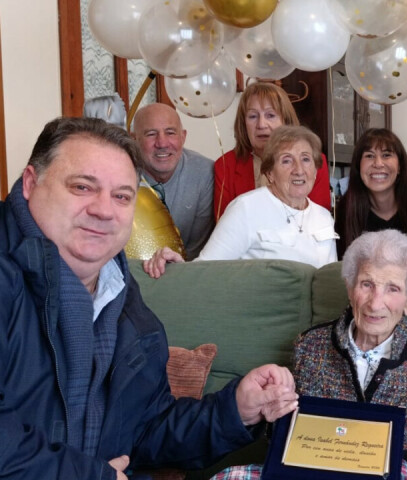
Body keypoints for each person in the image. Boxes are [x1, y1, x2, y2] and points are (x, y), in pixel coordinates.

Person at [0, 117, 299, 479]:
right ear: (31, 183)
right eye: (82, 187)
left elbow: (147, 429)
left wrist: (236, 410)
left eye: (122, 196)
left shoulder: (122, 298)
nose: (104, 210)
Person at [212, 229, 407, 480]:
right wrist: (273, 418)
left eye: (392, 288)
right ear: (349, 287)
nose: (375, 302)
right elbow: (290, 440)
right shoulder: (310, 346)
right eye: (366, 284)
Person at [144, 125, 337, 278]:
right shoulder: (246, 208)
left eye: (306, 159)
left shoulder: (323, 217)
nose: (299, 169)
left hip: (315, 321)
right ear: (269, 173)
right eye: (286, 160)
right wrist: (176, 267)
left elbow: (329, 281)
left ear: (315, 169)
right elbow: (206, 269)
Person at [214, 81, 331, 220]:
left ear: (285, 121)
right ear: (243, 124)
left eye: (270, 115)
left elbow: (318, 221)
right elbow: (225, 224)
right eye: (253, 116)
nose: (261, 125)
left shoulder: (314, 161)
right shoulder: (225, 165)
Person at [335, 128, 407, 259]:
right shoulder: (348, 207)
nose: (378, 164)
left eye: (386, 155)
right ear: (358, 166)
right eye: (369, 156)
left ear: (400, 166)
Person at [132, 103, 215, 260]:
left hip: (185, 271)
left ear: (183, 137)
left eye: (170, 133)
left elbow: (199, 249)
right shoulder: (120, 175)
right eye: (151, 134)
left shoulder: (205, 173)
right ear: (134, 139)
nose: (162, 143)